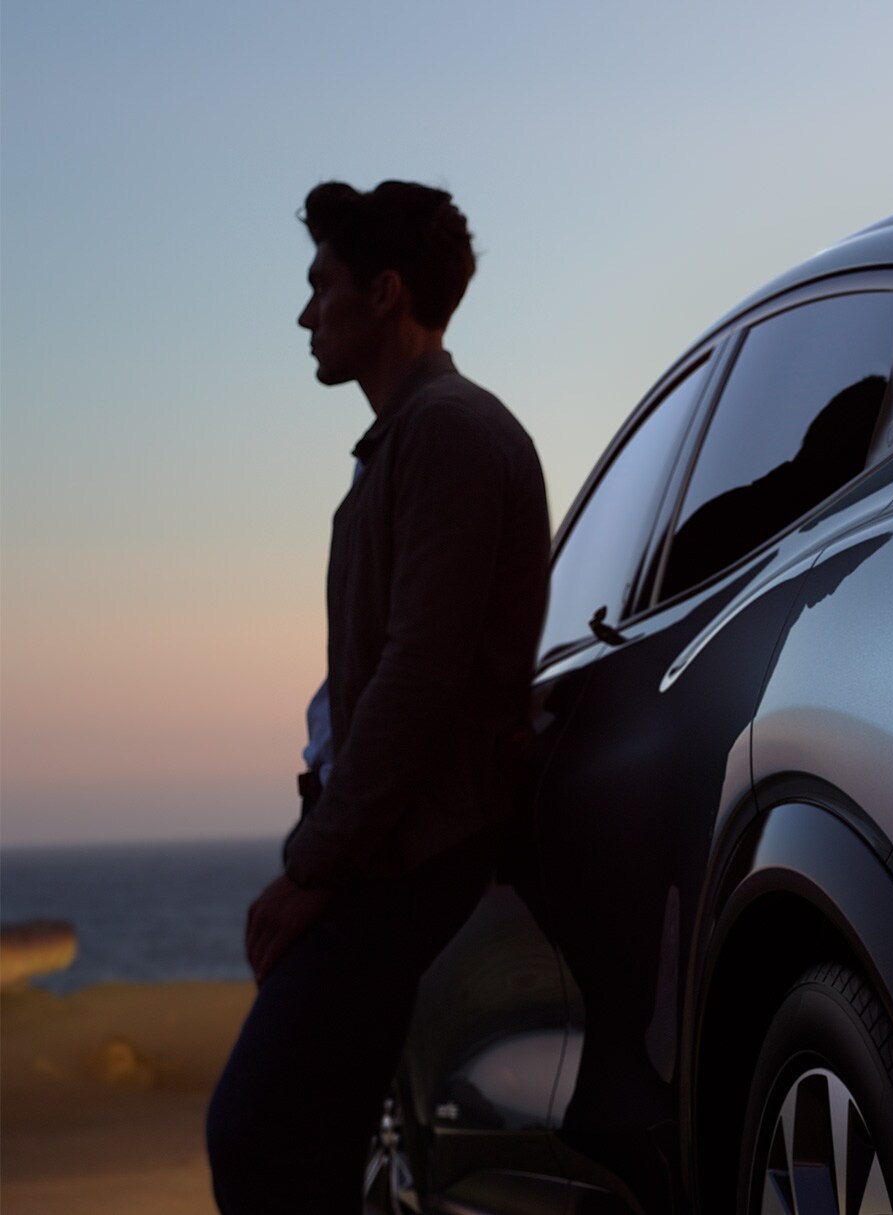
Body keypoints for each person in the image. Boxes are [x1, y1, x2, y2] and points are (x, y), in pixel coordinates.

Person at [205, 180, 550, 1213]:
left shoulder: (445, 434)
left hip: (405, 864)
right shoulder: (412, 441)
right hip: (386, 855)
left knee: (258, 1134)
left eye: (323, 286)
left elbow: (419, 677)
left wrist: (313, 868)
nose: (307, 314)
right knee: (318, 1153)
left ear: (386, 293)